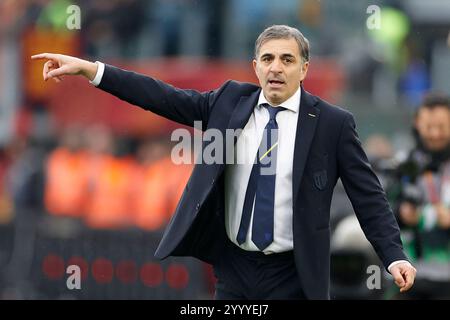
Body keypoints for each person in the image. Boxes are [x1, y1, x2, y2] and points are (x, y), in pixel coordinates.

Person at [32, 25, 416, 299]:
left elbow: (368, 197)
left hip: (295, 272)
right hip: (234, 267)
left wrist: (393, 256)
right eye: (267, 59)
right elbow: (161, 96)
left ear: (304, 69)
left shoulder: (333, 123)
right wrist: (92, 70)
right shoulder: (229, 102)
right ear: (255, 67)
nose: (276, 68)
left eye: (287, 59)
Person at [392, 93, 450, 299]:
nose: (434, 134)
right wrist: (401, 212)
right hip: (410, 275)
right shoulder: (404, 164)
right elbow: (380, 209)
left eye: (442, 127)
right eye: (428, 127)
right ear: (417, 124)